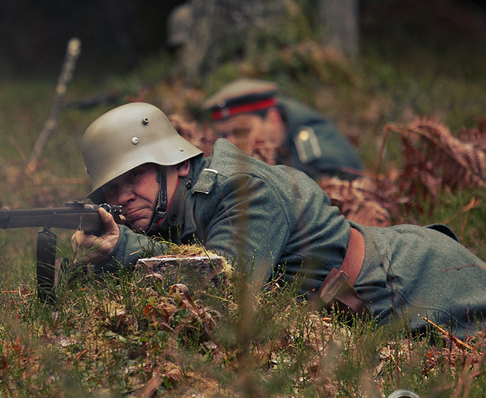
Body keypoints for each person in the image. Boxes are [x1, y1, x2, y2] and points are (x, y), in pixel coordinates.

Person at [71, 102, 486, 340]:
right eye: (111, 187)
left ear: (177, 165)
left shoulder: (244, 189)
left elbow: (227, 285)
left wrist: (123, 251)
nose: (122, 195)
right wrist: (94, 259)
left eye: (135, 176)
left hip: (416, 278)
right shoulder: (168, 208)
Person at [188, 78, 364, 179]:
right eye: (223, 134)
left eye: (241, 131)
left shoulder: (319, 159)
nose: (229, 143)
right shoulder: (277, 121)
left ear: (273, 119)